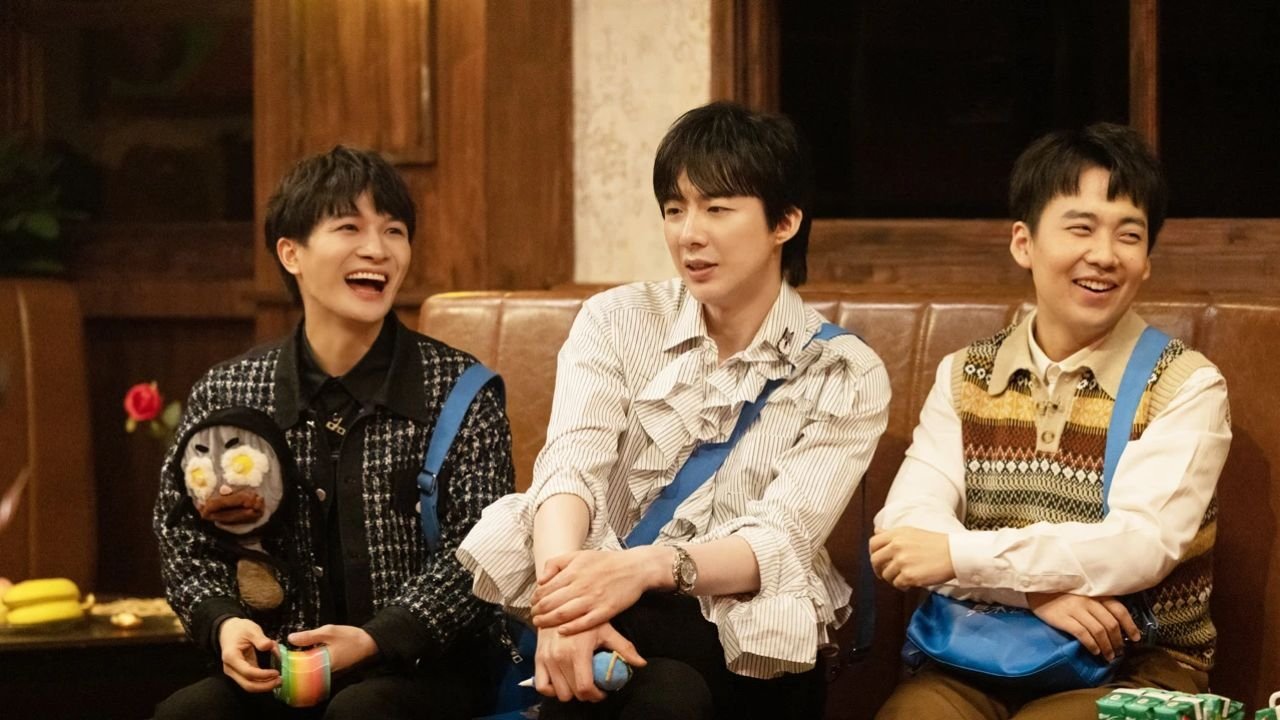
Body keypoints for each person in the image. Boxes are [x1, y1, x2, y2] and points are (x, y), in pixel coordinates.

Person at [457, 101, 891, 720]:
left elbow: (781, 539)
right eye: (674, 209)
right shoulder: (616, 321)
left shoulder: (842, 371)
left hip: (747, 639)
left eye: (717, 209)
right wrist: (564, 602)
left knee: (646, 674)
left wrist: (641, 570)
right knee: (661, 691)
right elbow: (570, 468)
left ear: (784, 222)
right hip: (614, 620)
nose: (690, 233)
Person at [870, 123, 1230, 719]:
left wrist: (965, 559)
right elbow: (906, 535)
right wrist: (1033, 594)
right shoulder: (965, 375)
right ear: (1024, 242)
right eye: (1081, 228)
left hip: (1137, 666)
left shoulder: (1185, 385)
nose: (1104, 255)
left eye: (1129, 235)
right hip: (978, 652)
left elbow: (1138, 548)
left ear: (1146, 261)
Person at [153, 146, 515, 719]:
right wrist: (222, 623)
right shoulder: (227, 393)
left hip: (424, 669)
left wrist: (378, 638)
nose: (378, 249)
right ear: (291, 253)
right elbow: (183, 536)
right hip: (279, 669)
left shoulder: (461, 390)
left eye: (394, 231)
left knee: (361, 712)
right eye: (350, 227)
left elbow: (482, 549)